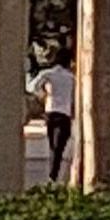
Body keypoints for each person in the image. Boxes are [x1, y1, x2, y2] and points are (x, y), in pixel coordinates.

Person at [35, 54, 75, 187]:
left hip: (50, 113)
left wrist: (43, 94)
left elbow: (32, 86)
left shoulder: (47, 74)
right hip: (65, 114)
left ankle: (53, 174)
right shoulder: (71, 78)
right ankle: (53, 173)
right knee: (59, 146)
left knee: (52, 145)